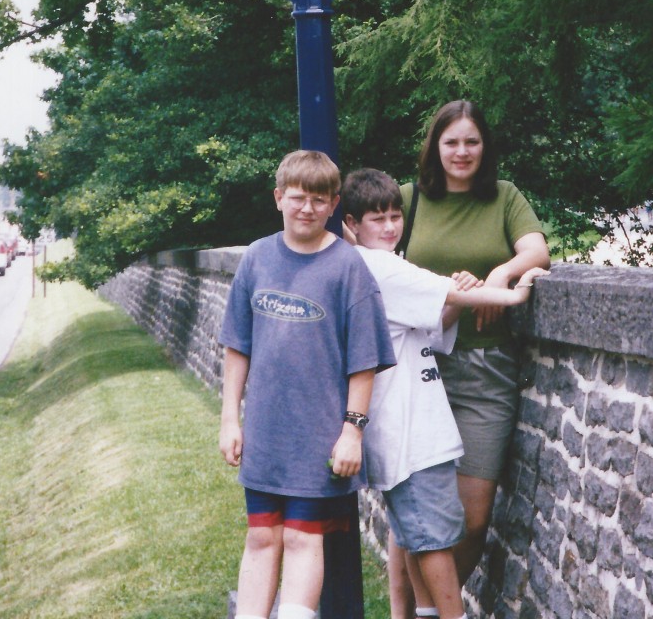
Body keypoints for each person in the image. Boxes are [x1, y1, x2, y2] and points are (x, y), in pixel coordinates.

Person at [342, 168, 544, 619]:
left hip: (410, 433)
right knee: (433, 540)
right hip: (411, 438)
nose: (391, 226)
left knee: (418, 538)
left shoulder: (366, 269)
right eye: (377, 219)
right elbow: (476, 297)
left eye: (396, 216)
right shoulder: (381, 267)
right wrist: (515, 289)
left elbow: (429, 329)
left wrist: (454, 297)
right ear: (352, 224)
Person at [218, 150, 396, 619]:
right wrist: (229, 421)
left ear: (334, 204)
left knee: (301, 537)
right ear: (279, 198)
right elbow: (238, 347)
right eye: (298, 198)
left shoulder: (348, 267)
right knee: (260, 535)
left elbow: (364, 363)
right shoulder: (257, 258)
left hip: (320, 435)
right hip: (265, 432)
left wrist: (352, 432)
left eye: (320, 199)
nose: (307, 208)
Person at [395, 100, 550, 611]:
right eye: (451, 142)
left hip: (488, 371)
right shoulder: (407, 200)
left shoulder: (504, 198)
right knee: (418, 512)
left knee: (473, 518)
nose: (462, 152)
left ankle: (433, 609)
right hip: (419, 370)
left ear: (485, 147)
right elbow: (368, 264)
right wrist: (449, 293)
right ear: (434, 148)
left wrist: (501, 274)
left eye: (472, 141)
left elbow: (536, 251)